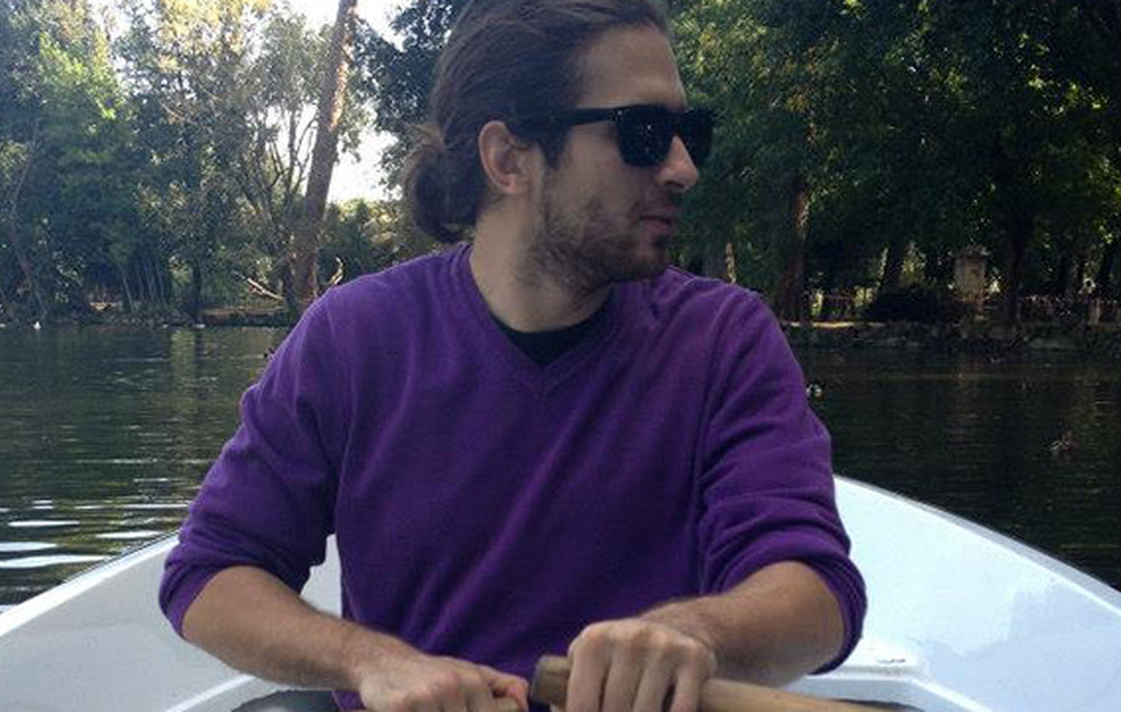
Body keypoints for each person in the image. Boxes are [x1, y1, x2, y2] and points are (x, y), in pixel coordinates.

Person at [159, 2, 866, 712]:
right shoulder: (352, 340)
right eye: (644, 133)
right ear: (507, 159)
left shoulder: (725, 341)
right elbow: (211, 572)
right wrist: (373, 663)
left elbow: (817, 592)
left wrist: (695, 634)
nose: (683, 167)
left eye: (692, 132)